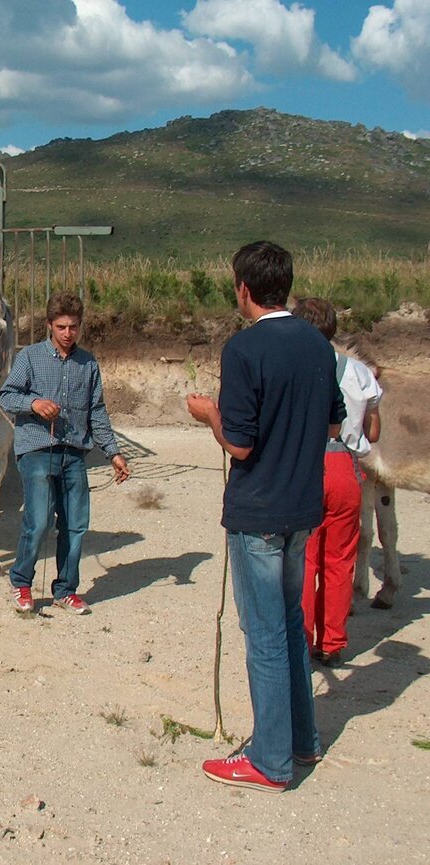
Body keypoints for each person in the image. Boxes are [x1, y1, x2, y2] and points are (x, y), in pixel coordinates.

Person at [186, 241, 346, 793]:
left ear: (243, 289)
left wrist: (209, 412)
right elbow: (331, 426)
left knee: (265, 636)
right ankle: (302, 741)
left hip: (259, 513)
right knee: (290, 629)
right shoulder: (320, 346)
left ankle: (270, 759)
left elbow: (241, 445)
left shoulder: (243, 350)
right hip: (305, 507)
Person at [0, 291, 130, 616]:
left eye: (73, 326)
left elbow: (97, 411)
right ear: (49, 326)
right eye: (61, 327)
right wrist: (34, 404)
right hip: (36, 449)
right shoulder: (29, 357)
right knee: (39, 520)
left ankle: (66, 590)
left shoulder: (88, 363)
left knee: (76, 524)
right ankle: (21, 582)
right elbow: (5, 396)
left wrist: (113, 453)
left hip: (73, 453)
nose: (68, 333)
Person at [292, 297, 382, 667]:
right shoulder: (359, 373)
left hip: (308, 465)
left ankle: (302, 636)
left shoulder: (297, 367)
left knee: (305, 557)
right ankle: (332, 642)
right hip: (347, 468)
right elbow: (373, 432)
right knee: (340, 558)